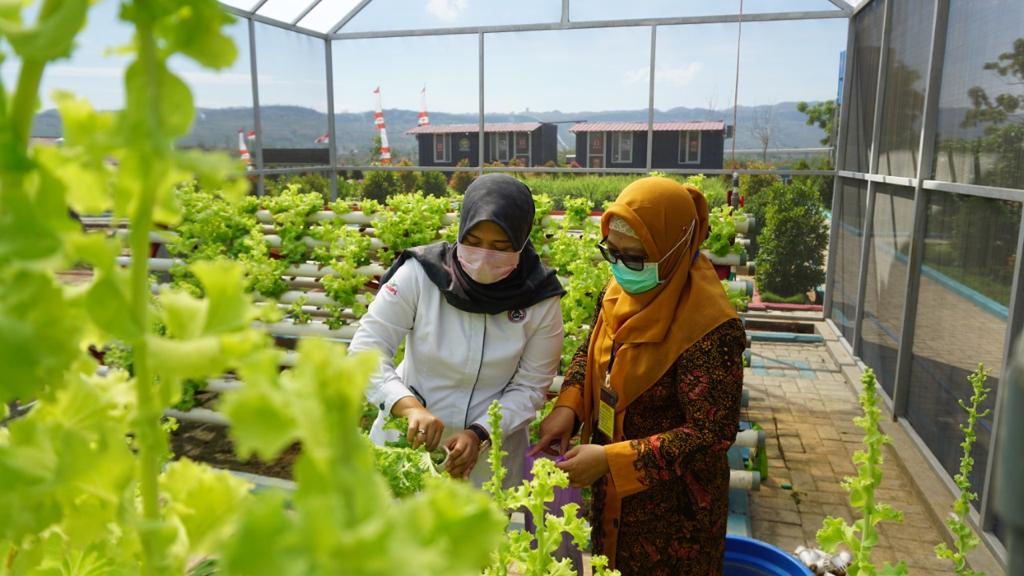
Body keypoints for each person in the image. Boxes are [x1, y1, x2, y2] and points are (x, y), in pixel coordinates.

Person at [531, 176, 746, 574]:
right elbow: (591, 350)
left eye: (634, 257)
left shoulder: (711, 328)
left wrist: (614, 461)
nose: (620, 267)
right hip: (612, 498)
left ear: (675, 248)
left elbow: (710, 433)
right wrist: (570, 406)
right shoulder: (618, 290)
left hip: (673, 519)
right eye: (611, 252)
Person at [349, 173, 565, 487]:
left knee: (475, 533)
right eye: (473, 243)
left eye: (501, 246)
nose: (484, 257)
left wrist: (480, 434)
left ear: (521, 241)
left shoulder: (540, 298)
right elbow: (366, 350)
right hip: (406, 446)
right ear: (461, 231)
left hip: (488, 461)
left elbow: (530, 387)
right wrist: (407, 406)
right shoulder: (420, 274)